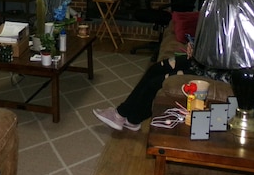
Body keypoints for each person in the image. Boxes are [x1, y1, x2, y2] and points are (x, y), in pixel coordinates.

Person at [93, 43, 232, 131]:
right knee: (155, 69)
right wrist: (195, 45)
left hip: (213, 72)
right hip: (201, 62)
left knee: (157, 82)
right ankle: (131, 119)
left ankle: (121, 114)